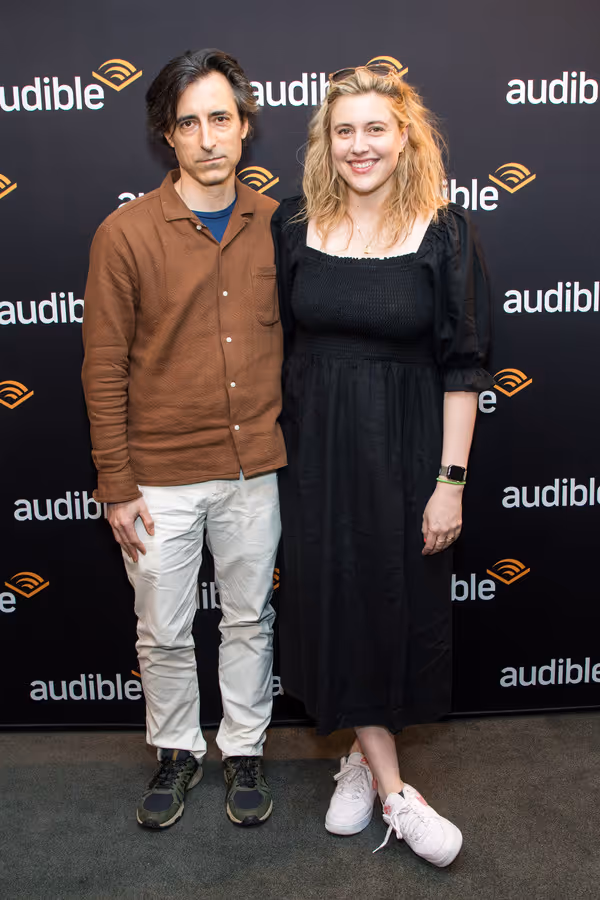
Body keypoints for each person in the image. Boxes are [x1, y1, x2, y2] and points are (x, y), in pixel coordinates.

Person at [271, 62, 492, 867]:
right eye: (343, 131)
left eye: (375, 128)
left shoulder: (445, 230)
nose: (358, 145)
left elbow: (464, 367)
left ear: (405, 138)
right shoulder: (293, 224)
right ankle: (392, 786)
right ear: (324, 143)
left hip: (406, 454)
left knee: (392, 608)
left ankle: (369, 770)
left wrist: (450, 483)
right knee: (336, 603)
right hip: (314, 456)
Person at [82, 48, 285, 830]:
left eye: (220, 119)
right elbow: (103, 367)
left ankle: (244, 750)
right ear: (167, 135)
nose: (207, 138)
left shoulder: (281, 226)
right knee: (162, 631)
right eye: (189, 122)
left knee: (249, 620)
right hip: (157, 478)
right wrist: (116, 484)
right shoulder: (124, 234)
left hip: (252, 469)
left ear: (244, 126)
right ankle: (175, 751)